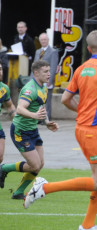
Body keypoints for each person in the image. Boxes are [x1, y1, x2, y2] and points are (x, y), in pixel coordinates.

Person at [22, 30, 97, 230]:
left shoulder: (81, 69)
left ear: (89, 49)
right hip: (95, 130)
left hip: (83, 128)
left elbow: (65, 100)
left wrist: (82, 110)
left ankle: (88, 225)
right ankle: (44, 188)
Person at [0, 60, 59, 200]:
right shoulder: (30, 89)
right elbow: (20, 108)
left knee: (40, 164)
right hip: (20, 131)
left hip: (32, 130)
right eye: (45, 71)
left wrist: (46, 122)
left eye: (49, 71)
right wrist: (35, 116)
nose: (49, 74)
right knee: (34, 165)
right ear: (36, 73)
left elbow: (40, 109)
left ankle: (18, 192)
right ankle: (4, 168)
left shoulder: (43, 88)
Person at [32, 33, 59, 121]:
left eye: (45, 40)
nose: (43, 41)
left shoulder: (53, 52)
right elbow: (34, 66)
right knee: (38, 100)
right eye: (42, 40)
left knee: (46, 100)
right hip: (37, 80)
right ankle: (39, 118)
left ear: (48, 40)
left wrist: (49, 80)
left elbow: (54, 67)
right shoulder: (37, 52)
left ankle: (46, 119)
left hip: (47, 80)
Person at [0, 62, 16, 163]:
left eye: (1, 69)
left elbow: (10, 106)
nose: (0, 72)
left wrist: (17, 122)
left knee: (0, 157)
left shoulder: (4, 88)